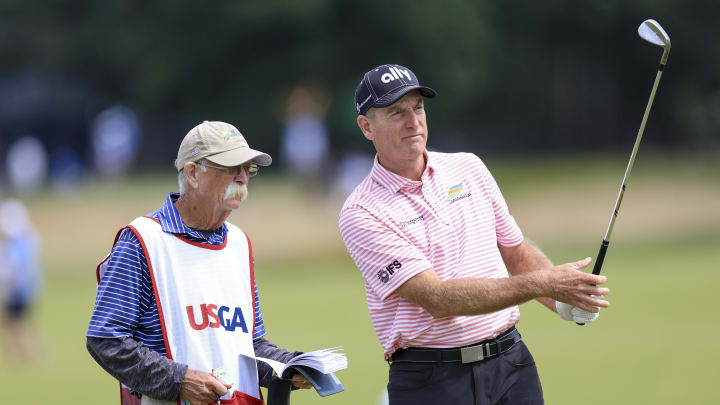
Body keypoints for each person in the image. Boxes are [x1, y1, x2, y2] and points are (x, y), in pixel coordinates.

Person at [338, 64, 610, 405]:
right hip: (431, 380)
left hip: (511, 363)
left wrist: (564, 302)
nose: (413, 121)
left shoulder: (469, 167)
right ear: (366, 127)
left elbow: (516, 251)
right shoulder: (362, 211)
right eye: (396, 112)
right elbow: (438, 299)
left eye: (418, 108)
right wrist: (547, 284)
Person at [87, 121, 311, 405]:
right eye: (231, 168)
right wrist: (179, 381)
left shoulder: (240, 244)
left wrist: (292, 365)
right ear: (192, 173)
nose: (243, 178)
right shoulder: (142, 240)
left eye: (248, 169)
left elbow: (248, 345)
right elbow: (106, 338)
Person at [0, 198, 44, 361]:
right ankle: (17, 354)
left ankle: (32, 353)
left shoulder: (15, 243)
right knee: (13, 322)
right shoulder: (29, 238)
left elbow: (15, 269)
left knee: (17, 324)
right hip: (26, 288)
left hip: (18, 289)